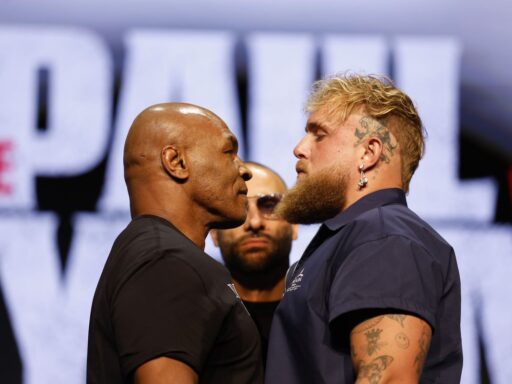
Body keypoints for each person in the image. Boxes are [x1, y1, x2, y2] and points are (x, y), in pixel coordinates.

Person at [265, 74, 462, 383]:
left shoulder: (385, 239)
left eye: (319, 135)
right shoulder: (355, 237)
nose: (299, 149)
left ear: (368, 153)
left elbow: (389, 379)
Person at [87, 103, 263, 384]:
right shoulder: (166, 263)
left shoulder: (154, 254)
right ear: (177, 162)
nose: (244, 170)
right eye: (229, 152)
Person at [211, 162, 298, 367]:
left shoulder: (323, 317)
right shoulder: (195, 323)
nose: (254, 223)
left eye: (269, 205)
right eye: (238, 208)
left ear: (294, 224)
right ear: (214, 233)